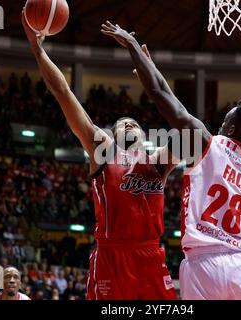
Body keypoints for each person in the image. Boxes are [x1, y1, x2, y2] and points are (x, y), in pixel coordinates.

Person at [102, 21, 241, 300]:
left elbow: (161, 95)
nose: (219, 125)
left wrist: (133, 46)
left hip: (202, 261)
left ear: (230, 129)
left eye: (224, 121)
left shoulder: (208, 144)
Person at [22, 11, 177, 300]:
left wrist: (153, 78)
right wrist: (37, 48)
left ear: (144, 137)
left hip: (152, 254)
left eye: (135, 123)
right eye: (122, 123)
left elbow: (187, 126)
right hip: (113, 255)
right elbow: (63, 91)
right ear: (112, 134)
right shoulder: (103, 151)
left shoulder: (158, 160)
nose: (129, 123)